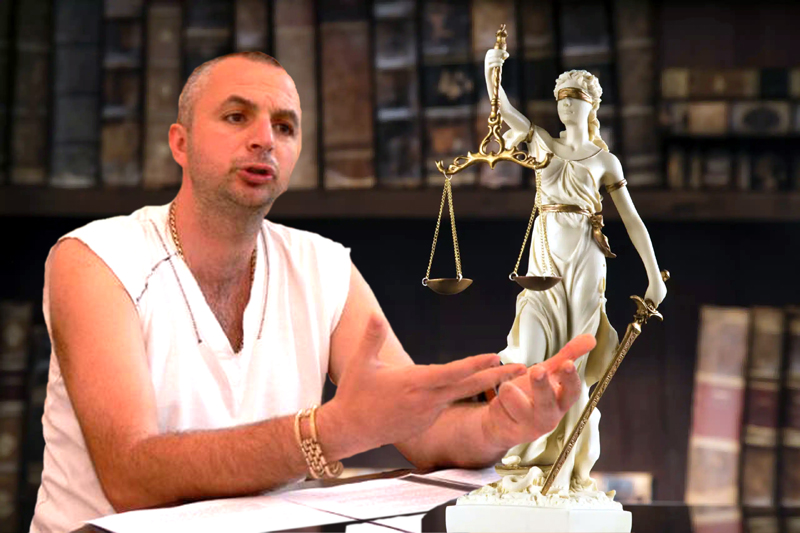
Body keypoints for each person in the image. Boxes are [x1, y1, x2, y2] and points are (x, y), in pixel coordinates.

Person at [31, 52, 597, 532]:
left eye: (285, 126)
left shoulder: (321, 264)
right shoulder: (96, 258)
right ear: (180, 143)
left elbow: (424, 433)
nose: (264, 140)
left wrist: (500, 427)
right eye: (236, 116)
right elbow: (131, 476)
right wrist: (328, 432)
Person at [484, 49, 667, 492]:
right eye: (561, 99)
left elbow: (632, 220)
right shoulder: (542, 142)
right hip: (543, 259)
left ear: (592, 105)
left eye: (574, 99)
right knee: (530, 357)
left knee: (574, 367)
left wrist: (654, 275)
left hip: (586, 258)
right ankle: (525, 447)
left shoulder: (605, 161)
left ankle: (563, 470)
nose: (566, 106)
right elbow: (502, 108)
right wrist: (492, 67)